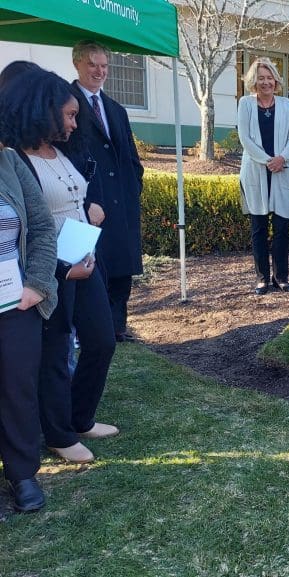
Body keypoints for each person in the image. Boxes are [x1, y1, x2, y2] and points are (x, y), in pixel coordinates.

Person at [1, 69, 118, 465]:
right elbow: (30, 223)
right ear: (43, 110)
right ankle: (59, 434)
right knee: (54, 353)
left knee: (101, 340)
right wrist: (59, 272)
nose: (73, 124)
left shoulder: (62, 151)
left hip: (84, 261)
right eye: (68, 115)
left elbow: (72, 199)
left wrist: (90, 210)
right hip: (50, 272)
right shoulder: (15, 159)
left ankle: (80, 417)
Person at [0, 77, 59, 511]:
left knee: (18, 386)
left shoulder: (11, 164)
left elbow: (40, 226)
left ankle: (22, 474)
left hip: (13, 301)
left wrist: (37, 284)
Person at [70, 40, 144, 343]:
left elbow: (130, 157)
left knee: (121, 268)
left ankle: (117, 327)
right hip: (89, 204)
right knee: (92, 267)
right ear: (77, 64)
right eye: (92, 64)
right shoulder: (64, 103)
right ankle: (90, 330)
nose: (99, 71)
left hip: (121, 201)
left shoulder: (115, 109)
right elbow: (65, 156)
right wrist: (86, 201)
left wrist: (133, 188)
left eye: (104, 65)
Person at [237, 58, 289, 295]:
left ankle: (281, 277)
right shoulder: (245, 104)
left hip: (282, 172)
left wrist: (281, 158)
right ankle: (262, 278)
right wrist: (268, 161)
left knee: (282, 228)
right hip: (255, 171)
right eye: (261, 78)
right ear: (254, 81)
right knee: (259, 228)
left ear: (276, 80)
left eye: (269, 77)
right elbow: (245, 139)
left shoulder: (286, 105)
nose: (266, 82)